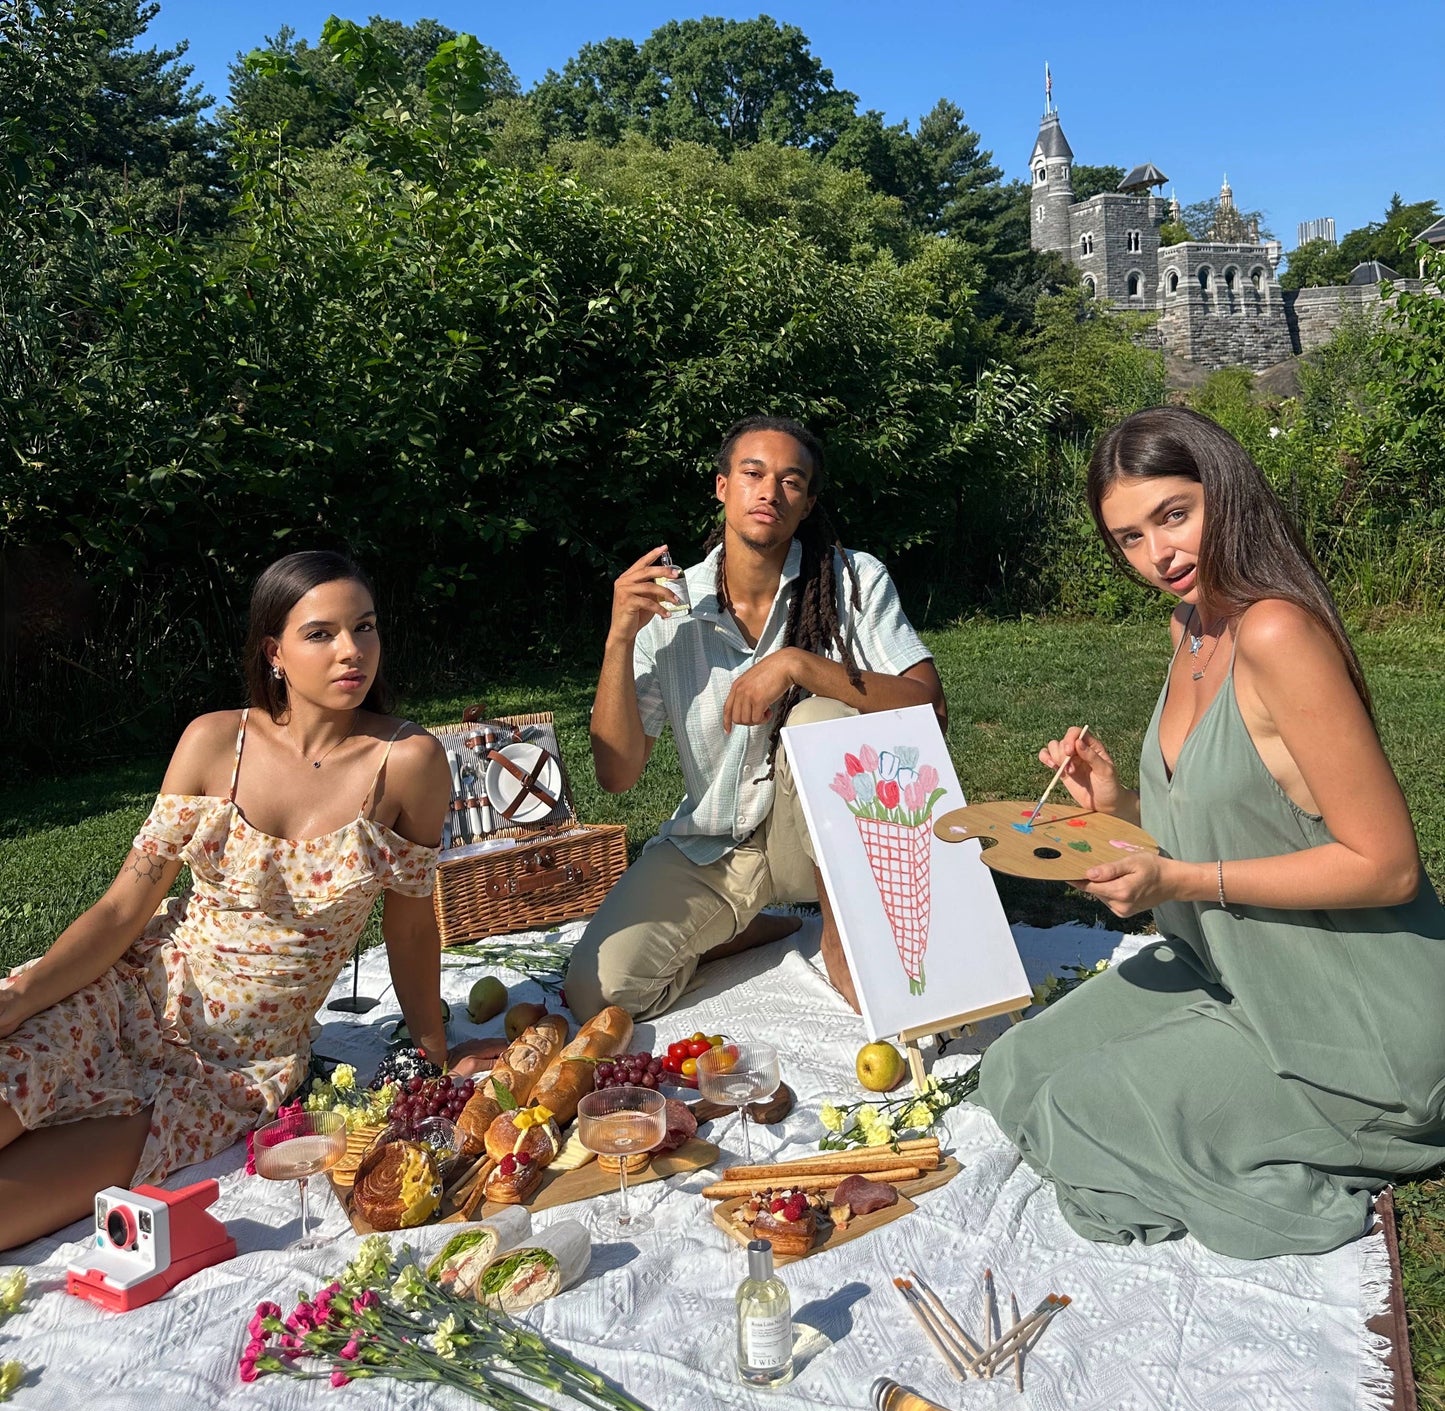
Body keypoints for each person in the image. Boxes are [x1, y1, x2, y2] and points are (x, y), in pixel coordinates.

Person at [975, 406, 1445, 1260]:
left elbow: (1387, 868)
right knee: (1013, 1074)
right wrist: (1115, 807)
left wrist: (1181, 885)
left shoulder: (1274, 632)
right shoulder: (1189, 627)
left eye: (1173, 515)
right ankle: (1209, 1115)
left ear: (1221, 493)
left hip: (1359, 1015)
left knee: (1080, 1112)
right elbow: (1219, 820)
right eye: (1127, 537)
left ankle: (1354, 1143)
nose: (1158, 555)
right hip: (1232, 970)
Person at [0, 551, 451, 1249]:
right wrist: (22, 998)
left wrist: (431, 1047)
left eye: (364, 628)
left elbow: (413, 925)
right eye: (321, 633)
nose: (351, 651)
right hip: (132, 995)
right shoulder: (215, 742)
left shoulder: (408, 762)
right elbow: (123, 907)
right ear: (274, 651)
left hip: (228, 1073)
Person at [567, 416, 945, 1023]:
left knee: (818, 718)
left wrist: (798, 665)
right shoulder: (666, 609)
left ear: (807, 504)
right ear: (722, 488)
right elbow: (615, 775)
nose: (770, 491)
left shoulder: (851, 580)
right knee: (598, 995)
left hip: (821, 834)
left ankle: (841, 934)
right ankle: (743, 925)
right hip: (714, 846)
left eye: (790, 481)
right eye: (753, 473)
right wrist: (617, 640)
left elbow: (929, 706)